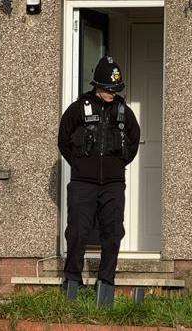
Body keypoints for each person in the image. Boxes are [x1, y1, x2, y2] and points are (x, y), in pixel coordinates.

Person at [57, 55, 140, 307]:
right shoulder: (78, 109)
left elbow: (133, 143)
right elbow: (63, 140)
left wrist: (117, 166)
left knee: (113, 233)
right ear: (97, 86)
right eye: (109, 89)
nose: (113, 94)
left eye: (116, 89)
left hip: (113, 184)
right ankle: (72, 281)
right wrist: (81, 166)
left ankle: (105, 282)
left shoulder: (125, 113)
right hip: (83, 183)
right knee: (77, 232)